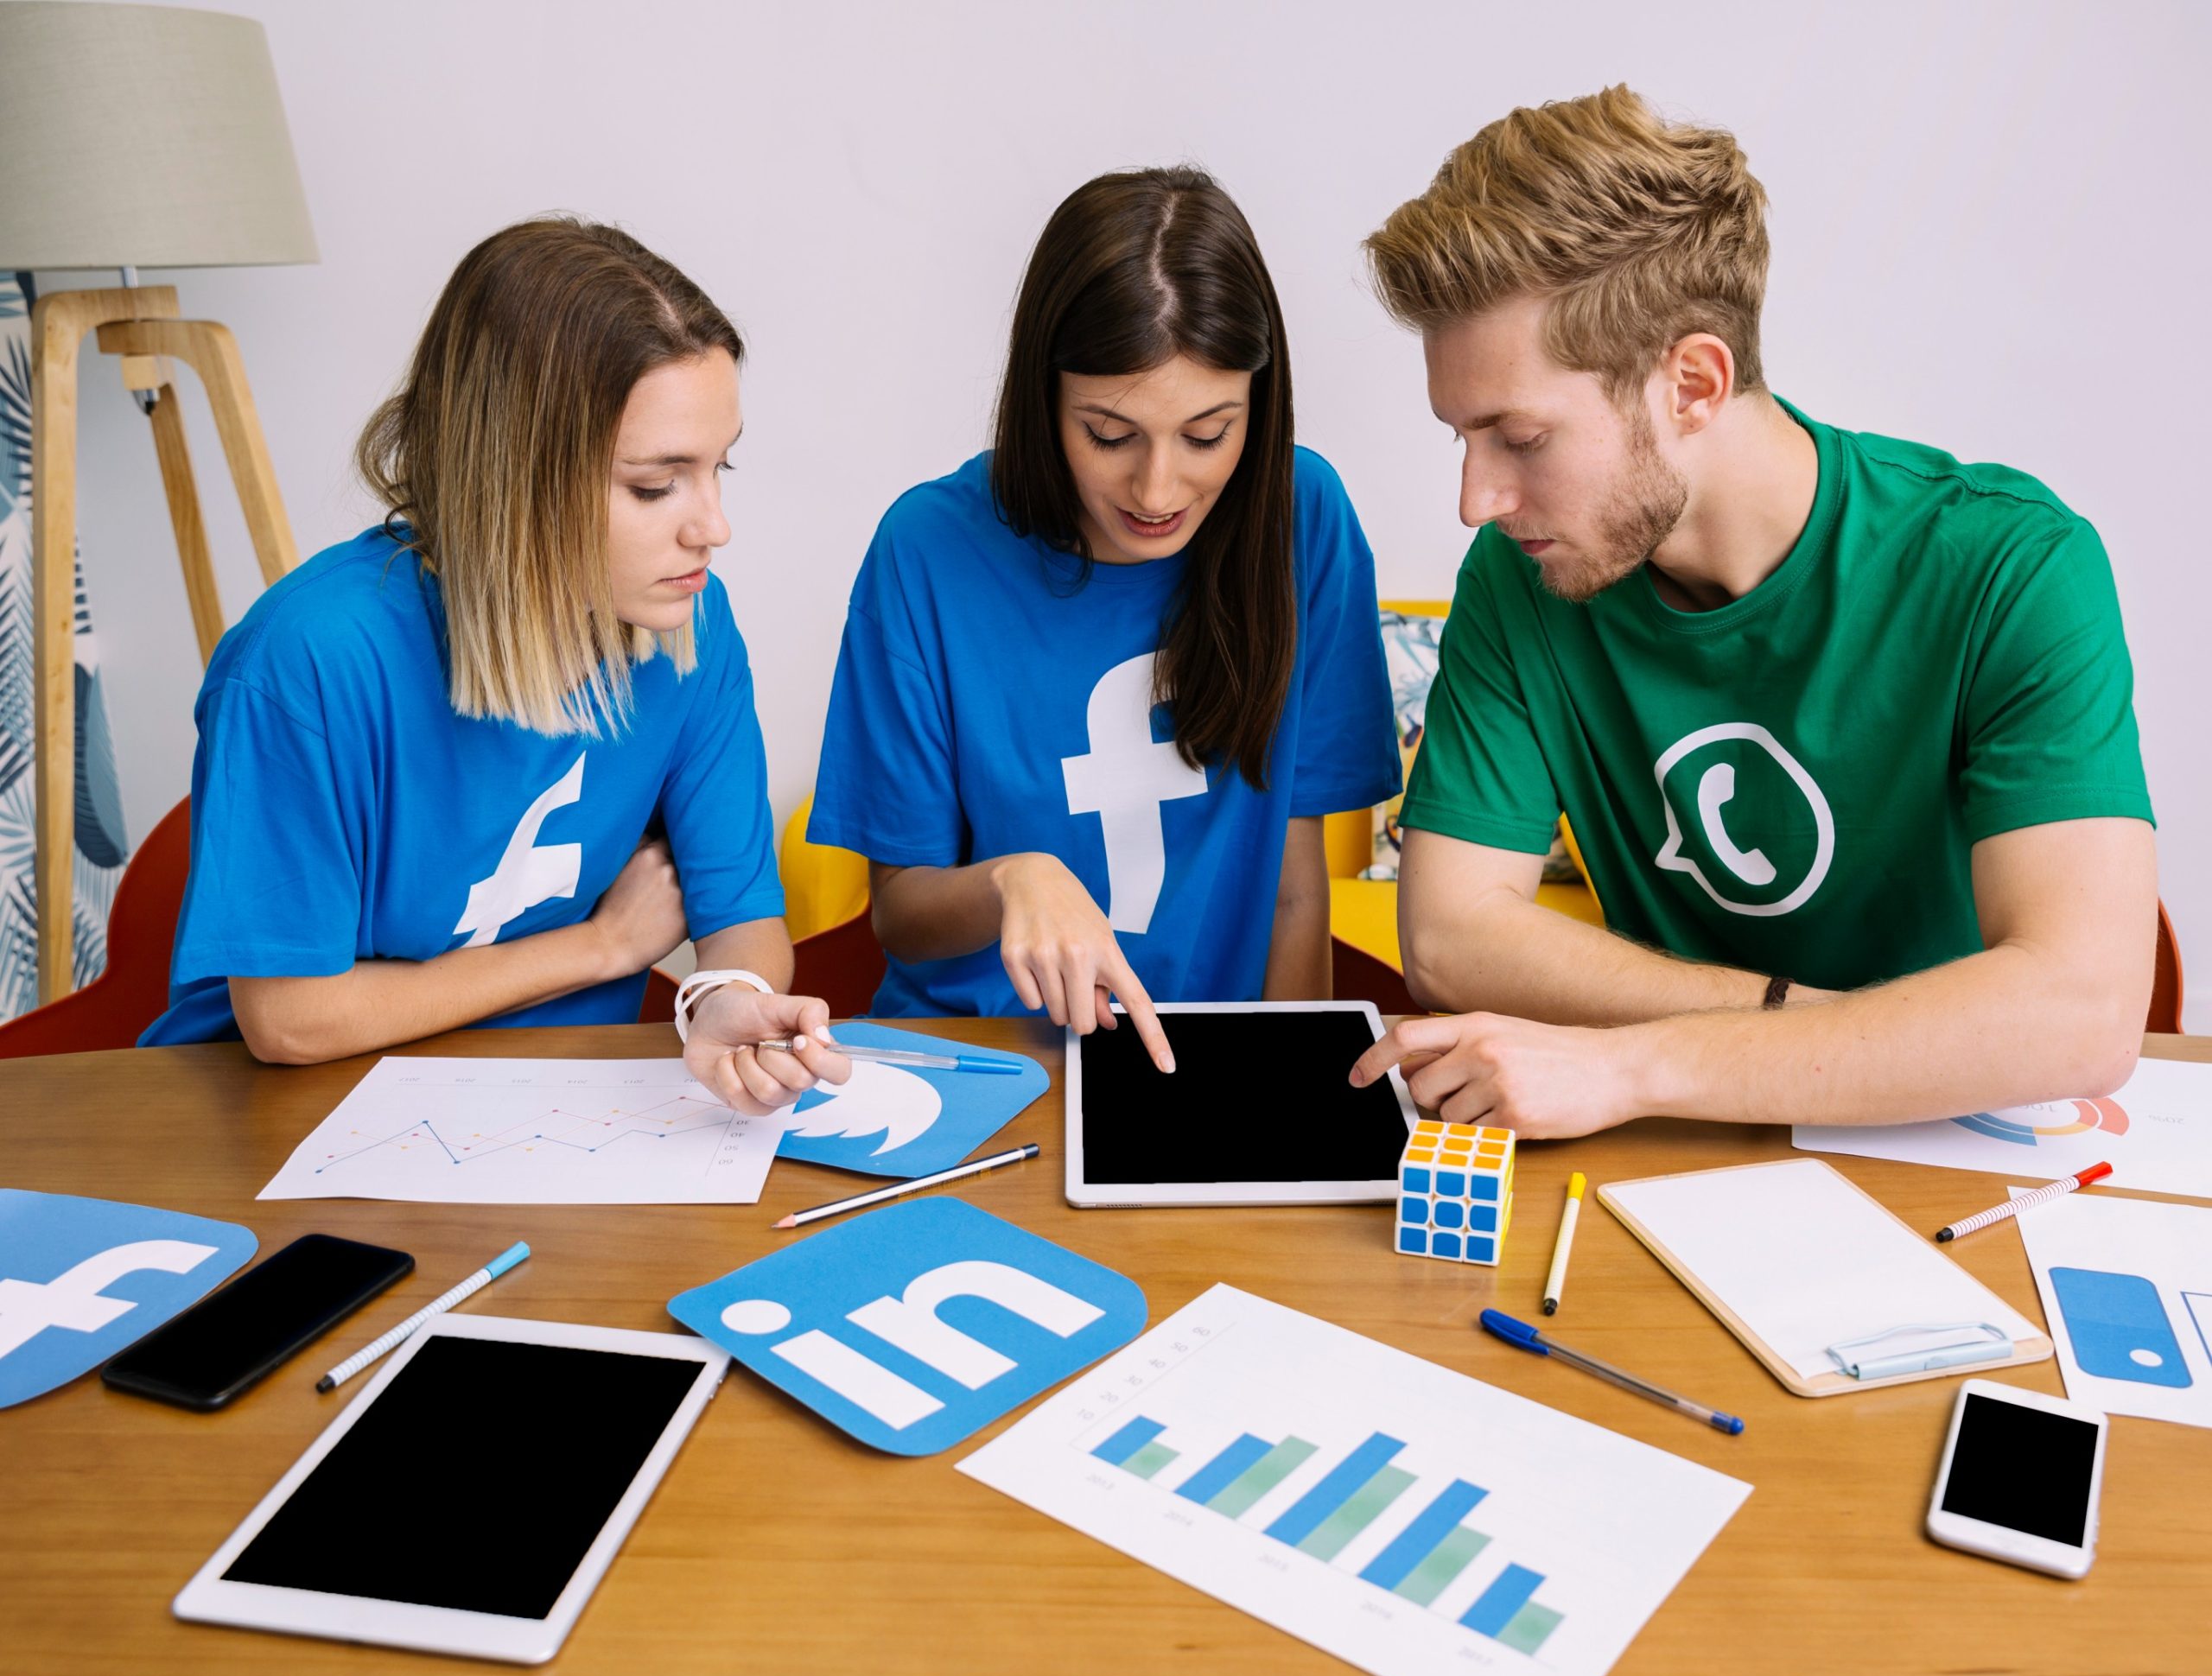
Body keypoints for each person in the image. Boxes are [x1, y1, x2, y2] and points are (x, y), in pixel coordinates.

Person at [1348, 87, 2157, 1138]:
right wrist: (1808, 1033)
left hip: (1960, 1144)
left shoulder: (2012, 563)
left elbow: (2081, 1015)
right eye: (1462, 437)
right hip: (1693, 1149)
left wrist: (1638, 1066)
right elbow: (1453, 935)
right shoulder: (1524, 575)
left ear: (1691, 382)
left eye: (1522, 439)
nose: (1477, 500)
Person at [143, 217, 849, 1116]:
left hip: (559, 1116)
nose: (712, 525)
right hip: (275, 1119)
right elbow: (289, 1020)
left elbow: (740, 921)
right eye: (654, 483)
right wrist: (600, 949)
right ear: (519, 475)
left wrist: (725, 1000)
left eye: (718, 467)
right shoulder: (308, 663)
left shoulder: (688, 624)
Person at [809, 168, 1400, 1067]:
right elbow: (904, 916)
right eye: (1110, 434)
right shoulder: (926, 548)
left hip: (1202, 1067)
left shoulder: (1302, 515)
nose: (1158, 490)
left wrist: (1290, 1103)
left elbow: (1291, 884)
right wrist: (1017, 878)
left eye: (1208, 433)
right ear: (1043, 400)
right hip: (984, 1058)